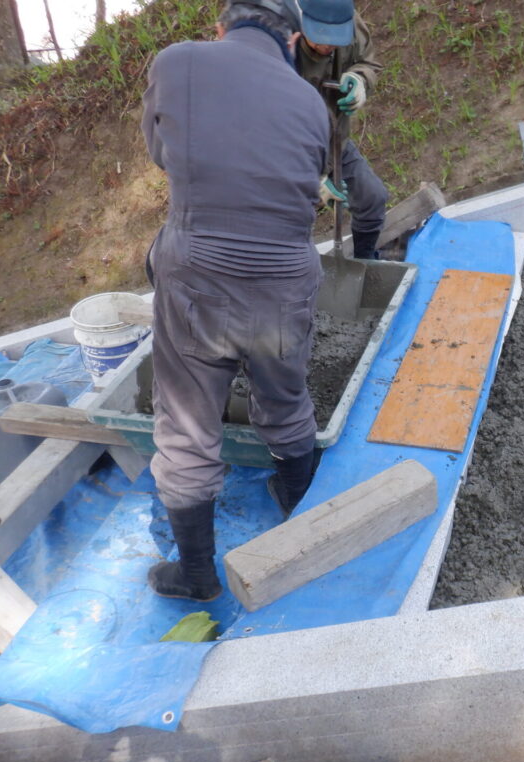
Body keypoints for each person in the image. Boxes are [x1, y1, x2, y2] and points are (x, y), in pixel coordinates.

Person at [141, 0, 331, 601]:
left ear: (221, 28)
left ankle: (197, 574)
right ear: (292, 41)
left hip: (199, 278)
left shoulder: (178, 62)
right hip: (285, 281)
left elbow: (160, 152)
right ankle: (303, 514)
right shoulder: (311, 101)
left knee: (187, 422)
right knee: (285, 397)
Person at [295, 0, 388, 260]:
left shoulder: (350, 23)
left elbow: (368, 63)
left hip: (335, 140)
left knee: (372, 198)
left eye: (335, 39)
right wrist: (307, 176)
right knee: (293, 219)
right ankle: (293, 272)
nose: (328, 46)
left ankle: (364, 263)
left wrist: (360, 79)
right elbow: (264, 122)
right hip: (288, 151)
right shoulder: (278, 44)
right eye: (320, 38)